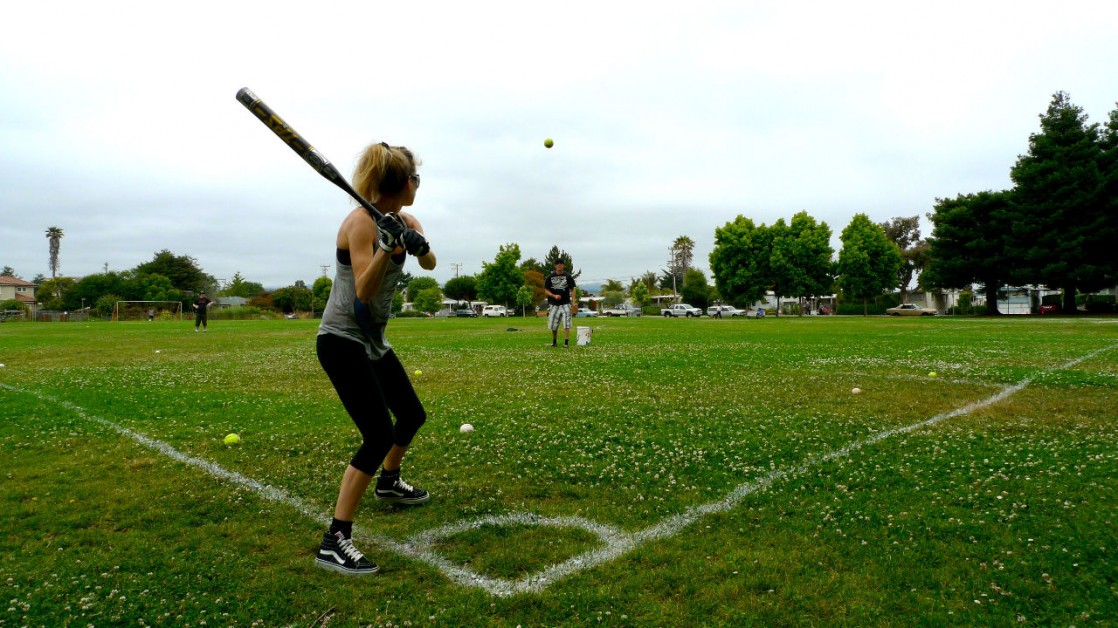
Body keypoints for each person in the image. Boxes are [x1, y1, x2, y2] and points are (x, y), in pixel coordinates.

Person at [314, 141, 436, 576]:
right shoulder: (359, 225)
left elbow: (431, 265)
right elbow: (363, 292)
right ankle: (335, 539)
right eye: (416, 179)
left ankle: (389, 482)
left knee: (411, 415)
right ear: (402, 183)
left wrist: (418, 245)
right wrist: (386, 246)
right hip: (341, 339)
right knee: (377, 434)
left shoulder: (406, 218)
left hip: (373, 342)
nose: (418, 185)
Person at [544, 259, 577, 347]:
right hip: (553, 304)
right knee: (553, 324)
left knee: (567, 322)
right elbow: (546, 290)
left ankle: (566, 343)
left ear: (563, 266)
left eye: (561, 264)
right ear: (555, 266)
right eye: (557, 264)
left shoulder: (568, 276)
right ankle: (554, 342)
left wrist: (573, 302)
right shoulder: (550, 277)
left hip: (565, 303)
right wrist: (554, 296)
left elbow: (573, 289)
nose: (559, 265)